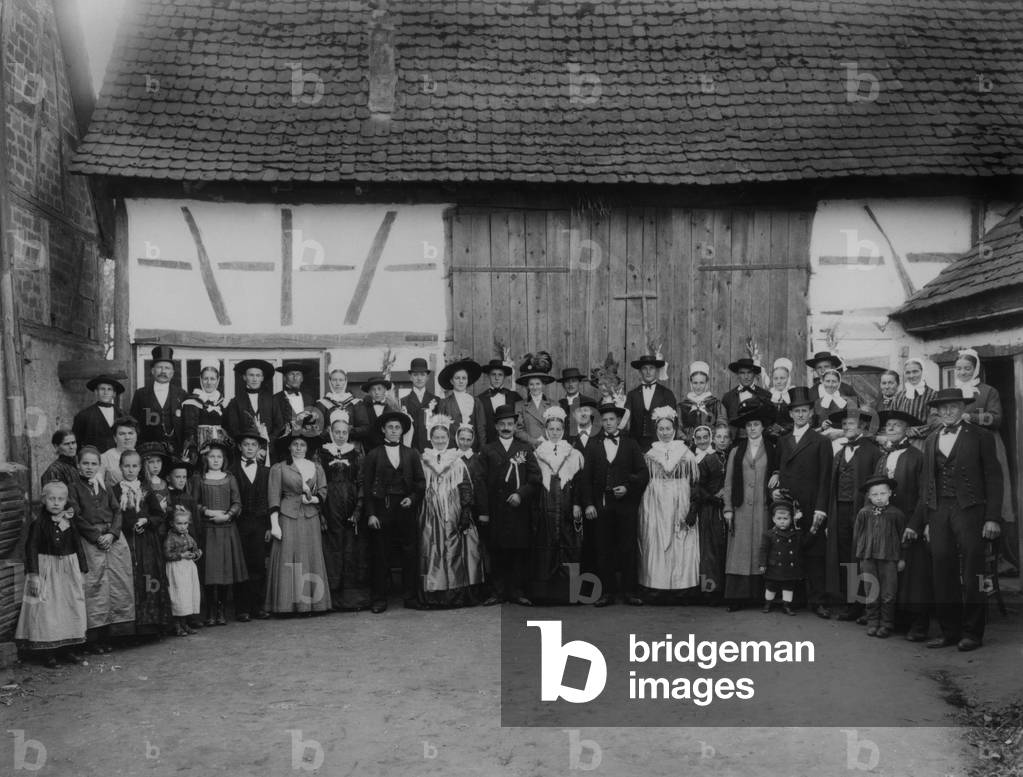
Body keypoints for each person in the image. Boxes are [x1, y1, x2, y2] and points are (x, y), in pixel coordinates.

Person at [905, 388, 1003, 652]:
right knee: (942, 572)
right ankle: (950, 632)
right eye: (943, 408)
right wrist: (920, 521)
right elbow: (927, 484)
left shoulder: (980, 436)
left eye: (954, 407)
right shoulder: (931, 438)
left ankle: (972, 633)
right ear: (936, 411)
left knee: (973, 573)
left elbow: (994, 477)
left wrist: (992, 517)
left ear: (963, 408)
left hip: (970, 509)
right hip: (938, 511)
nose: (948, 412)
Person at [579, 402, 649, 607]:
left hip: (626, 503)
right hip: (601, 503)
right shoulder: (593, 444)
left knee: (627, 547)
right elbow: (585, 478)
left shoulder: (630, 443)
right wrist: (588, 504)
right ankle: (607, 592)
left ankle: (630, 591)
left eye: (612, 419)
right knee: (603, 547)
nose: (608, 423)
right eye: (605, 420)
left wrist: (628, 487)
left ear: (618, 421)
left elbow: (643, 473)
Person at [771, 386, 833, 617]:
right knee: (790, 550)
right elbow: (778, 470)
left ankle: (818, 600)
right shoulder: (784, 440)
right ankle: (793, 599)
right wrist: (776, 491)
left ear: (810, 413)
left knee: (815, 552)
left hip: (810, 503)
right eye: (796, 411)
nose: (800, 415)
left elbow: (826, 477)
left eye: (804, 411)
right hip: (788, 505)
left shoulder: (820, 441)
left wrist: (821, 508)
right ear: (790, 414)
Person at [67, 445, 135, 653]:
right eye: (85, 463)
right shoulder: (73, 487)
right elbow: (76, 515)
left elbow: (117, 511)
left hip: (113, 539)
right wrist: (97, 536)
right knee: (95, 584)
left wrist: (113, 533)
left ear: (99, 466)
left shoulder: (105, 484)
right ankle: (95, 637)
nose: (89, 467)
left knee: (118, 581)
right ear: (78, 465)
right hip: (91, 540)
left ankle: (116, 635)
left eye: (93, 464)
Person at [15, 481, 89, 667]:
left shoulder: (69, 521)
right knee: (47, 610)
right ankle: (48, 653)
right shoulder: (39, 523)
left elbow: (77, 544)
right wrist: (34, 574)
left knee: (69, 607)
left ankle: (68, 649)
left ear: (66, 501)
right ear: (44, 500)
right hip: (46, 568)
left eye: (60, 499)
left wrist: (82, 568)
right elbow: (31, 548)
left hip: (67, 569)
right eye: (51, 499)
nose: (56, 503)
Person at [418, 415, 485, 607]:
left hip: (452, 509)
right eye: (436, 437)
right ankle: (434, 592)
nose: (440, 441)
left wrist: (465, 510)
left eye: (442, 437)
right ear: (431, 439)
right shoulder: (424, 459)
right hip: (430, 511)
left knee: (455, 548)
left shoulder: (456, 460)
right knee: (431, 547)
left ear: (448, 439)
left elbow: (465, 486)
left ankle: (455, 592)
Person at [477, 404, 541, 605]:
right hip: (496, 509)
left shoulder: (525, 449)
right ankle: (497, 591)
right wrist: (484, 512)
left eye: (510, 424)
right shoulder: (487, 450)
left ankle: (517, 591)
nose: (506, 427)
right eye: (502, 424)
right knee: (497, 550)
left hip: (518, 509)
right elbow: (479, 482)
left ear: (515, 427)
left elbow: (535, 478)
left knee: (518, 550)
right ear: (496, 427)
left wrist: (521, 495)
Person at [362, 411, 426, 613]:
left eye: (397, 427)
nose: (394, 431)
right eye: (390, 427)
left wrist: (413, 498)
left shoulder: (411, 453)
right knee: (381, 554)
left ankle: (410, 597)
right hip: (383, 508)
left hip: (405, 508)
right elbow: (366, 487)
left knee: (410, 552)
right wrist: (371, 513)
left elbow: (421, 483)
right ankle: (379, 598)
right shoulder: (373, 454)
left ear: (402, 431)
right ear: (383, 429)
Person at [874, 409, 928, 640]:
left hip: (908, 521)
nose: (892, 428)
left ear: (907, 429)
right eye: (889, 425)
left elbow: (925, 494)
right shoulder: (883, 457)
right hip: (887, 524)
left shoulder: (917, 456)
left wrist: (915, 524)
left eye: (897, 425)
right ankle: (892, 619)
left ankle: (918, 624)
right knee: (889, 571)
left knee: (913, 573)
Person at [824, 406, 882, 621]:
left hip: (862, 511)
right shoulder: (839, 452)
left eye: (852, 423)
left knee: (863, 556)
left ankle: (867, 606)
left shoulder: (873, 452)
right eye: (845, 424)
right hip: (840, 509)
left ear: (863, 427)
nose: (847, 427)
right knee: (844, 555)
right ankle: (851, 604)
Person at [637, 407, 699, 603]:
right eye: (661, 429)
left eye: (668, 428)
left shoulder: (685, 452)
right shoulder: (650, 453)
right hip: (655, 499)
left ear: (674, 429)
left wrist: (689, 504)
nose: (665, 432)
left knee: (680, 537)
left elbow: (693, 479)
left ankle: (681, 588)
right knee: (655, 539)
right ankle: (656, 586)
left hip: (679, 496)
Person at [266, 431, 332, 614]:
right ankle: (287, 606)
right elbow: (273, 497)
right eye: (295, 444)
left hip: (310, 517)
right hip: (288, 516)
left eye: (302, 445)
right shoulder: (279, 468)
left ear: (307, 447)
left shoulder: (316, 467)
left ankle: (311, 604)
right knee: (289, 557)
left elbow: (323, 491)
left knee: (310, 557)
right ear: (289, 447)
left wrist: (313, 500)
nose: (299, 448)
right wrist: (274, 524)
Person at [721, 402, 777, 611]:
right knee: (739, 552)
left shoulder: (772, 449)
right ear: (745, 428)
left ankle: (762, 597)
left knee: (761, 550)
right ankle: (737, 598)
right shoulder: (737, 451)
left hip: (763, 508)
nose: (753, 428)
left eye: (756, 424)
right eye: (749, 425)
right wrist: (728, 508)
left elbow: (779, 473)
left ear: (763, 427)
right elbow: (728, 482)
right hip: (741, 508)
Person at [529, 406, 585, 604]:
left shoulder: (573, 452)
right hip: (545, 501)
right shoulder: (537, 452)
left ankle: (569, 593)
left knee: (568, 541)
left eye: (558, 429)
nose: (554, 433)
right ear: (546, 430)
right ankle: (545, 594)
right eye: (551, 429)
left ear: (563, 431)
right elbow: (534, 480)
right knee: (546, 541)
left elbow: (579, 481)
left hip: (566, 500)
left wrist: (577, 503)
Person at [954, 348, 1015, 530]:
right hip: (959, 443)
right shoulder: (951, 392)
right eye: (959, 368)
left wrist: (970, 417)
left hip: (986, 443)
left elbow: (995, 419)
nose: (962, 372)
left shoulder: (988, 391)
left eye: (967, 368)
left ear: (976, 369)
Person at [317, 414, 371, 611]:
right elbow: (317, 483)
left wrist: (358, 509)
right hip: (329, 504)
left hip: (350, 502)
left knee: (351, 547)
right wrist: (320, 512)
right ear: (330, 432)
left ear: (349, 434)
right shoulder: (321, 453)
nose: (340, 436)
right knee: (332, 547)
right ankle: (331, 597)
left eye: (344, 432)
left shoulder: (356, 454)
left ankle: (352, 599)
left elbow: (362, 482)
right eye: (337, 432)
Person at [114, 449, 169, 638]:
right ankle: (129, 630)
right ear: (120, 467)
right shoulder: (115, 490)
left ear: (140, 467)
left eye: (134, 466)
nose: (130, 470)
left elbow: (159, 515)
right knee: (129, 581)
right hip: (125, 543)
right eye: (127, 466)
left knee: (148, 580)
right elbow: (114, 515)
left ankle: (150, 626)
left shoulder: (146, 489)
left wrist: (146, 521)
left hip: (147, 544)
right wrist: (127, 525)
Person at [194, 440, 246, 625]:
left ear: (223, 459)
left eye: (219, 457)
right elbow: (194, 502)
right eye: (212, 456)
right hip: (208, 530)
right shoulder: (199, 478)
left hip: (226, 528)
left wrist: (228, 515)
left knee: (224, 571)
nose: (215, 460)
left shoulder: (229, 478)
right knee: (210, 572)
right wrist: (207, 511)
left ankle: (221, 609)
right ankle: (210, 611)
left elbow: (237, 502)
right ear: (206, 458)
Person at [854, 475, 907, 638]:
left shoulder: (896, 514)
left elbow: (902, 537)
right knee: (871, 590)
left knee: (888, 592)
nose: (879, 498)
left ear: (890, 493)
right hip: (868, 557)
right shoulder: (864, 513)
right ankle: (872, 622)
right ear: (869, 496)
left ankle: (886, 624)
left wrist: (902, 558)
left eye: (882, 493)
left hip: (889, 558)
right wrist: (861, 554)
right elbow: (858, 534)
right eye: (875, 494)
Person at [229, 428, 272, 621]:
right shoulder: (231, 470)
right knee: (241, 565)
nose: (249, 448)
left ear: (259, 448)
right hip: (239, 524)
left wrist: (270, 526)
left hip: (260, 523)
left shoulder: (266, 471)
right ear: (239, 447)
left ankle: (258, 606)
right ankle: (242, 608)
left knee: (258, 565)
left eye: (254, 445)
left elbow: (271, 499)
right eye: (246, 445)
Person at [692, 425, 727, 605]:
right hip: (706, 508)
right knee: (707, 552)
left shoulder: (722, 458)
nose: (703, 440)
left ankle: (721, 590)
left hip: (722, 509)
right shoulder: (699, 459)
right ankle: (708, 591)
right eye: (699, 437)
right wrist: (713, 498)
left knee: (720, 549)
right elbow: (697, 487)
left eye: (707, 436)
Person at [130, 345, 186, 452]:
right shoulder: (140, 394)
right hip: (148, 448)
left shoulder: (181, 394)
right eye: (159, 367)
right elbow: (134, 423)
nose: (163, 371)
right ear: (152, 370)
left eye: (167, 368)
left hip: (175, 448)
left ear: (173, 372)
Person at [758, 498, 808, 616]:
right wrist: (762, 564)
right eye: (779, 519)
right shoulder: (769, 534)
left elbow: (802, 542)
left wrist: (798, 523)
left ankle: (786, 606)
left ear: (791, 519)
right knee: (771, 586)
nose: (782, 521)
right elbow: (763, 550)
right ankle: (767, 604)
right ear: (773, 519)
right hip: (774, 566)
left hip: (789, 567)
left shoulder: (795, 533)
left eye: (785, 519)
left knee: (788, 586)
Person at [623, 354, 678, 451]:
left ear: (656, 370)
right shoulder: (632, 394)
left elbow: (674, 423)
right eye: (644, 368)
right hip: (636, 445)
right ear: (640, 371)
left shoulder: (667, 394)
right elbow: (625, 420)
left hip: (660, 444)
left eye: (651, 368)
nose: (648, 372)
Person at [163, 505, 202, 636]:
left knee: (186, 596)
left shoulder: (188, 535)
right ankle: (177, 625)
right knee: (178, 596)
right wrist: (181, 555)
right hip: (176, 569)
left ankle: (185, 624)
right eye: (179, 523)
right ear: (172, 523)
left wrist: (195, 554)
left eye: (185, 523)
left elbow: (196, 548)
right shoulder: (171, 537)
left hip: (187, 569)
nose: (183, 526)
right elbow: (167, 554)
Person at [180, 359, 228, 464]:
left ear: (218, 380)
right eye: (205, 378)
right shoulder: (192, 402)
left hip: (219, 449)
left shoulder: (221, 402)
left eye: (212, 379)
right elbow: (189, 432)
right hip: (200, 447)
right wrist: (194, 451)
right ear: (201, 379)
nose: (209, 382)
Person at [223, 359, 275, 447]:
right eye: (251, 375)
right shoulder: (235, 402)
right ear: (244, 377)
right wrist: (246, 445)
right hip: (245, 449)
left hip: (267, 448)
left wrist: (267, 443)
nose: (254, 379)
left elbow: (278, 425)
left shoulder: (272, 400)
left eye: (258, 375)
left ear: (262, 378)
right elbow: (233, 428)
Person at [436, 359, 486, 449]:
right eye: (457, 378)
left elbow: (481, 428)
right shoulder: (444, 403)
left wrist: (482, 450)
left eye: (464, 378)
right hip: (451, 449)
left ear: (467, 381)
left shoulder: (476, 402)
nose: (461, 381)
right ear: (451, 381)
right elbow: (441, 430)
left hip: (472, 449)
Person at [73, 374, 125, 452]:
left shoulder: (122, 415)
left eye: (109, 389)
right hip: (93, 460)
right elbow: (77, 442)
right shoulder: (84, 415)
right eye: (102, 389)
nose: (105, 392)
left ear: (114, 393)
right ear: (96, 392)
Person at [677, 361, 727, 439]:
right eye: (695, 383)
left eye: (701, 383)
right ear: (690, 383)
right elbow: (678, 428)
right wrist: (687, 440)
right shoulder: (682, 406)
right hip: (688, 445)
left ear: (707, 383)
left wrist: (710, 439)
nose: (698, 386)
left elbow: (722, 426)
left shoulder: (716, 404)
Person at [475, 358, 521, 445]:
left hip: (512, 444)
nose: (497, 378)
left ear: (504, 377)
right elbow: (480, 427)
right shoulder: (480, 399)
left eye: (500, 375)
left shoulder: (514, 396)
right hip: (490, 445)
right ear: (488, 376)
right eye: (493, 375)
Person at [515, 352, 556, 448]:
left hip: (550, 448)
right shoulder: (519, 405)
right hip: (529, 448)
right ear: (527, 386)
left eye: (538, 384)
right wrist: (535, 442)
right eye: (531, 384)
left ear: (543, 384)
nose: (535, 387)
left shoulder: (554, 404)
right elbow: (518, 430)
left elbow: (558, 428)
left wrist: (548, 443)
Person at [352, 374, 401, 452]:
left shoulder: (392, 408)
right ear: (369, 392)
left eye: (379, 389)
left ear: (385, 390)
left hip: (387, 451)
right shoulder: (362, 407)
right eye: (373, 389)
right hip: (368, 451)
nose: (376, 392)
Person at [400, 357, 439, 452]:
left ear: (427, 377)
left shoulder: (436, 400)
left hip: (431, 449)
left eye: (422, 374)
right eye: (415, 375)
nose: (419, 378)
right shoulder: (403, 401)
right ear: (410, 377)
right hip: (411, 448)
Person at [272, 361, 315, 442]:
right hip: (283, 443)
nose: (295, 378)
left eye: (298, 374)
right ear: (284, 378)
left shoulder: (309, 398)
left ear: (302, 378)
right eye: (291, 374)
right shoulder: (275, 399)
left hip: (305, 444)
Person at [900, 357, 938, 446]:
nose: (911, 376)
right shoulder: (899, 396)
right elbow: (893, 419)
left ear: (922, 372)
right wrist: (904, 430)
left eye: (915, 371)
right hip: (901, 441)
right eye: (908, 372)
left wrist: (914, 431)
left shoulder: (933, 395)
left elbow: (935, 423)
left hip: (923, 442)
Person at [315, 368, 359, 439]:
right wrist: (328, 432)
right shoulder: (322, 403)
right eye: (334, 380)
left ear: (345, 381)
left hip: (350, 443)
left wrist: (349, 431)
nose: (338, 383)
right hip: (328, 444)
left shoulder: (355, 402)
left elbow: (364, 427)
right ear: (330, 381)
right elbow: (317, 429)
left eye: (341, 380)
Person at [557, 367, 595, 440]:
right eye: (567, 382)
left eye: (574, 381)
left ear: (579, 383)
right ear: (563, 385)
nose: (570, 384)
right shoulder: (558, 404)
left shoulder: (590, 402)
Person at [100, 416, 139, 488]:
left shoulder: (142, 455)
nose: (127, 437)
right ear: (115, 438)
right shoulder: (105, 458)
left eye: (131, 433)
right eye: (122, 434)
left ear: (136, 436)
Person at [813, 369, 849, 441]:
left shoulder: (848, 401)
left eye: (834, 381)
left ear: (839, 383)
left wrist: (838, 434)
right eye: (827, 381)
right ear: (822, 382)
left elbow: (855, 427)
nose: (830, 385)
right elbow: (812, 428)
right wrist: (821, 428)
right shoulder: (817, 403)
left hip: (842, 439)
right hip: (821, 440)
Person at [765, 357, 794, 440]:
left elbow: (797, 418)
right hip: (770, 436)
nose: (779, 381)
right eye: (776, 378)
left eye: (782, 378)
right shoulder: (769, 395)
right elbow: (765, 418)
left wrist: (783, 429)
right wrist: (771, 428)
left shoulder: (792, 395)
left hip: (790, 436)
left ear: (788, 379)